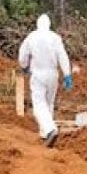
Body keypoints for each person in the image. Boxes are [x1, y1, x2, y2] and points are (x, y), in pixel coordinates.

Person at [18, 14, 73, 147]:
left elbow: (22, 54)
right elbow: (63, 56)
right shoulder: (55, 37)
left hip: (38, 73)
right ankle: (45, 135)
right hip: (53, 74)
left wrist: (24, 66)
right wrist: (67, 74)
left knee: (38, 105)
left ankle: (49, 130)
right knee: (49, 104)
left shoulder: (32, 37)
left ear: (37, 24)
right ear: (49, 24)